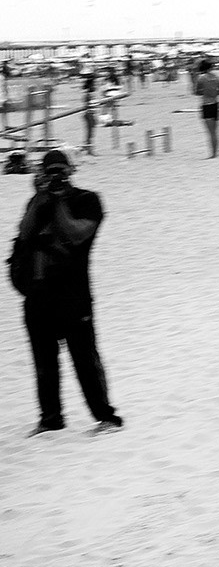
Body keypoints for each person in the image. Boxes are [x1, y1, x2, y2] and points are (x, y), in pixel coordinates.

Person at [10, 151, 122, 436]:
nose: (56, 177)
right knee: (43, 362)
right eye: (51, 172)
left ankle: (106, 417)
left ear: (71, 172)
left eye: (61, 171)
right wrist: (40, 198)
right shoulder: (38, 202)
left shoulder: (88, 200)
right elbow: (24, 235)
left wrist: (58, 200)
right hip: (38, 294)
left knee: (84, 359)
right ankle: (50, 420)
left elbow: (76, 234)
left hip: (74, 294)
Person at [192, 58, 219, 159]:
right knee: (216, 131)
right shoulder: (217, 77)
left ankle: (213, 154)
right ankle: (216, 152)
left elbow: (197, 92)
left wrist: (205, 92)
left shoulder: (201, 78)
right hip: (216, 104)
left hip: (206, 104)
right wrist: (214, 92)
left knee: (210, 132)